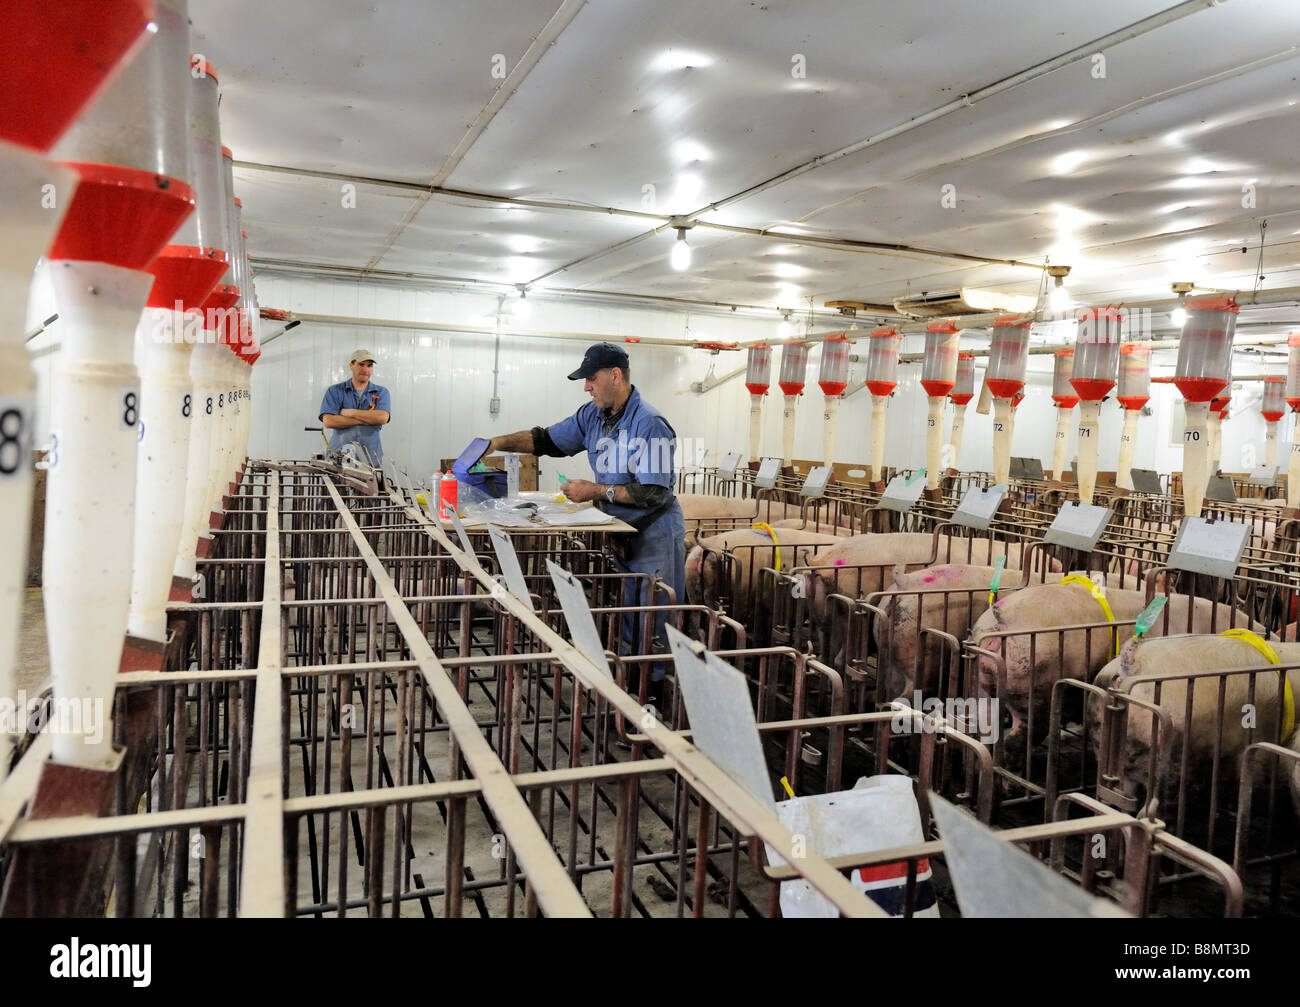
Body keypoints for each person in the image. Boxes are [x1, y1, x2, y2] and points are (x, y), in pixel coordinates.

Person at [483, 342, 685, 691]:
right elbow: (545, 440)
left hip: (654, 534)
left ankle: (653, 703)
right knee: (628, 615)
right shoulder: (592, 415)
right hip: (621, 531)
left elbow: (653, 492)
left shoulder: (650, 424)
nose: (587, 387)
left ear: (615, 376)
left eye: (591, 378)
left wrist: (595, 491)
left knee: (653, 617)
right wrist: (497, 442)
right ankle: (628, 690)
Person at [319, 348, 391, 465]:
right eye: (361, 365)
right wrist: (369, 418)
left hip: (370, 459)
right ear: (351, 365)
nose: (365, 370)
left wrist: (351, 412)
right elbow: (328, 421)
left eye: (369, 366)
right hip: (339, 458)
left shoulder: (381, 392)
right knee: (336, 484)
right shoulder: (335, 391)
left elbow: (382, 418)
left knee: (369, 483)